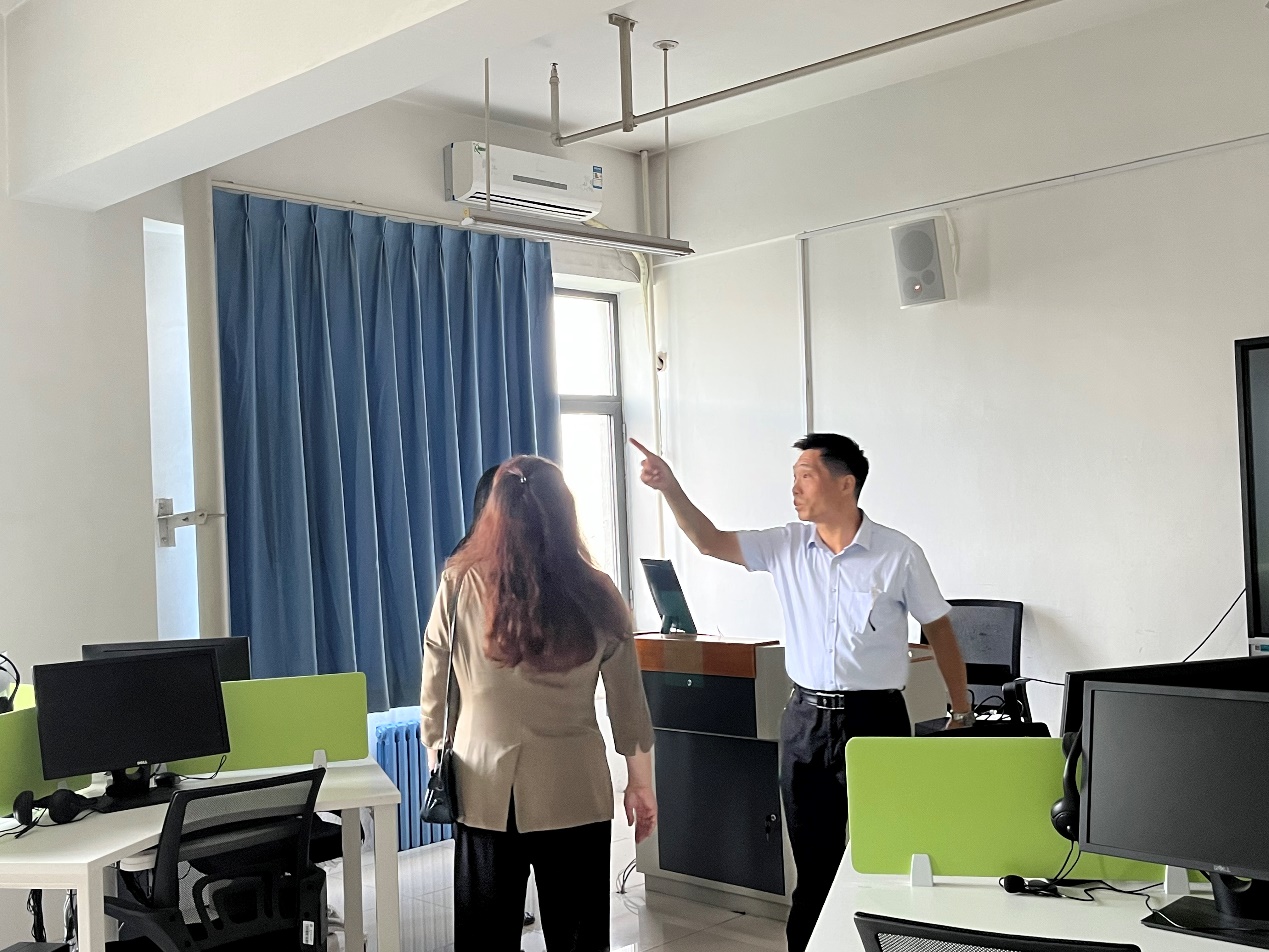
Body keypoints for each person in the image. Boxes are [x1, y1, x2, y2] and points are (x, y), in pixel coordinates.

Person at [630, 433, 971, 952]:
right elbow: (708, 540)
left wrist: (962, 709)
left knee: (888, 854)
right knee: (814, 864)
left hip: (875, 719)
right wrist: (669, 487)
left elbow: (940, 629)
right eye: (794, 477)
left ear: (845, 484)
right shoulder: (786, 545)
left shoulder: (897, 553)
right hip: (805, 721)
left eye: (806, 476)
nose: (794, 488)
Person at [422, 456, 657, 952]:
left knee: (485, 940)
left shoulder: (459, 584)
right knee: (579, 939)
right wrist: (640, 784)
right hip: (575, 790)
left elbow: (436, 686)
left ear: (493, 513)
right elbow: (628, 705)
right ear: (565, 510)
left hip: (483, 791)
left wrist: (436, 757)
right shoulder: (598, 591)